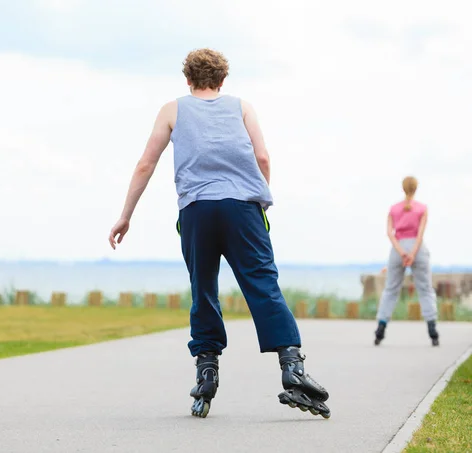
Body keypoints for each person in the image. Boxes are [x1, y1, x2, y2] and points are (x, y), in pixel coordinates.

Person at [108, 48, 330, 419]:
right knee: (263, 285)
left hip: (197, 210)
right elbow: (263, 159)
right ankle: (292, 368)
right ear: (223, 80)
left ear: (188, 80)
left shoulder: (172, 110)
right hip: (242, 208)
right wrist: (260, 201)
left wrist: (125, 216)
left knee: (204, 289)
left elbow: (146, 163)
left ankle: (206, 373)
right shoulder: (242, 108)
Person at [374, 176, 439, 346]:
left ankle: (381, 327)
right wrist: (412, 253)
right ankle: (432, 329)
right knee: (425, 288)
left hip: (397, 249)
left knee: (391, 289)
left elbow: (390, 233)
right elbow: (420, 234)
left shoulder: (394, 209)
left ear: (403, 188)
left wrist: (402, 252)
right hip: (418, 250)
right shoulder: (422, 208)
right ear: (416, 188)